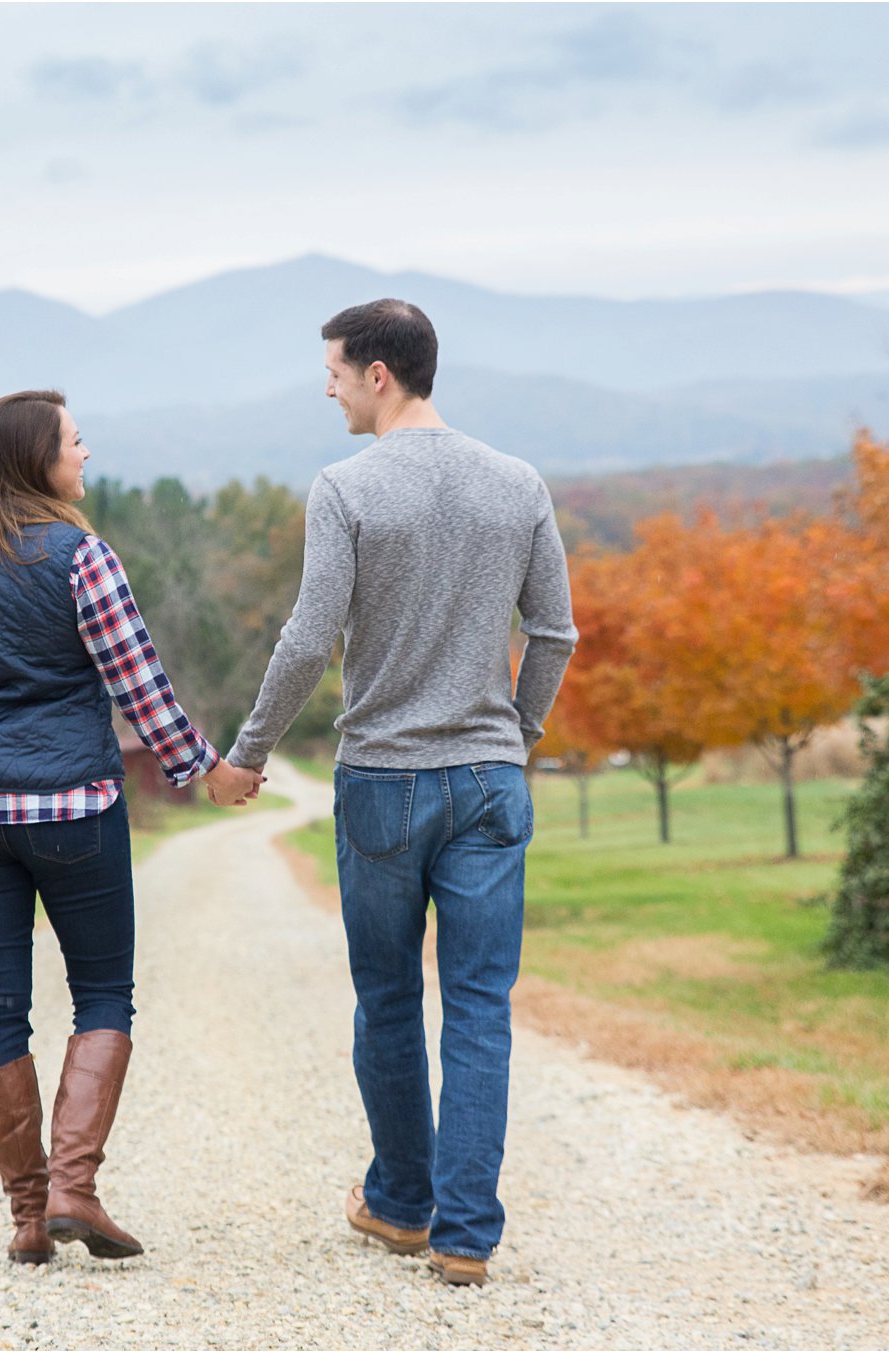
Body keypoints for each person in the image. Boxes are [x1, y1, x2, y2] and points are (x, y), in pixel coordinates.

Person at [217, 300, 578, 1287]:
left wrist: (249, 754)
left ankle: (399, 1205)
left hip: (381, 782)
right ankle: (465, 1235)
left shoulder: (344, 489)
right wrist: (516, 733)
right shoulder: (517, 483)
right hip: (487, 783)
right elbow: (554, 634)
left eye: (332, 369)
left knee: (385, 1002)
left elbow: (305, 639)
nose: (323, 385)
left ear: (378, 374)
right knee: (476, 1007)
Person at [0, 390, 262, 1266]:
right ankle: (77, 1187)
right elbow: (140, 686)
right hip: (75, 808)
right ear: (35, 460)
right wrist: (210, 772)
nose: (86, 454)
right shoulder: (85, 557)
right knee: (102, 995)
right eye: (75, 442)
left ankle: (28, 1216)